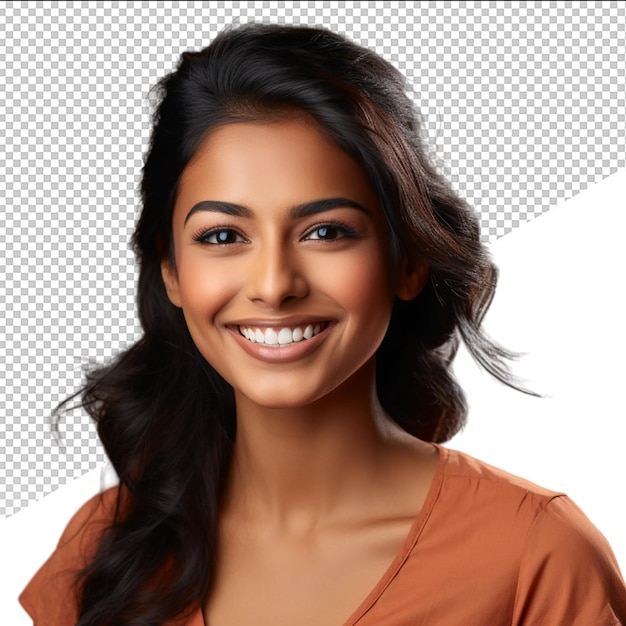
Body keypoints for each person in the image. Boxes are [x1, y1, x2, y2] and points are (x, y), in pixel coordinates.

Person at [19, 22, 626, 626]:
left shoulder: (534, 557)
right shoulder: (108, 544)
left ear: (407, 261)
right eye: (224, 236)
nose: (274, 284)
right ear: (172, 270)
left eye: (326, 232)